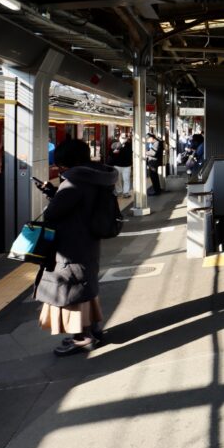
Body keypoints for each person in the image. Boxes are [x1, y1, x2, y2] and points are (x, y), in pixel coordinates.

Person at [34, 138, 118, 356]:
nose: (60, 168)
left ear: (68, 162)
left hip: (70, 244)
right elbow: (81, 204)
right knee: (84, 284)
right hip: (87, 240)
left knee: (71, 289)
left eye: (61, 165)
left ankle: (83, 338)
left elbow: (54, 213)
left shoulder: (74, 181)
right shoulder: (96, 176)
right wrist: (54, 191)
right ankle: (94, 330)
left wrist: (55, 197)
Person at [115, 133, 133, 197]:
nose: (123, 139)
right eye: (122, 138)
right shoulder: (115, 144)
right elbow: (112, 154)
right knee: (117, 179)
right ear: (119, 137)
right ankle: (119, 191)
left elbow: (130, 153)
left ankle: (126, 192)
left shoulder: (130, 145)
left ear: (127, 138)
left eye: (125, 138)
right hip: (117, 165)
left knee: (126, 179)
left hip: (127, 165)